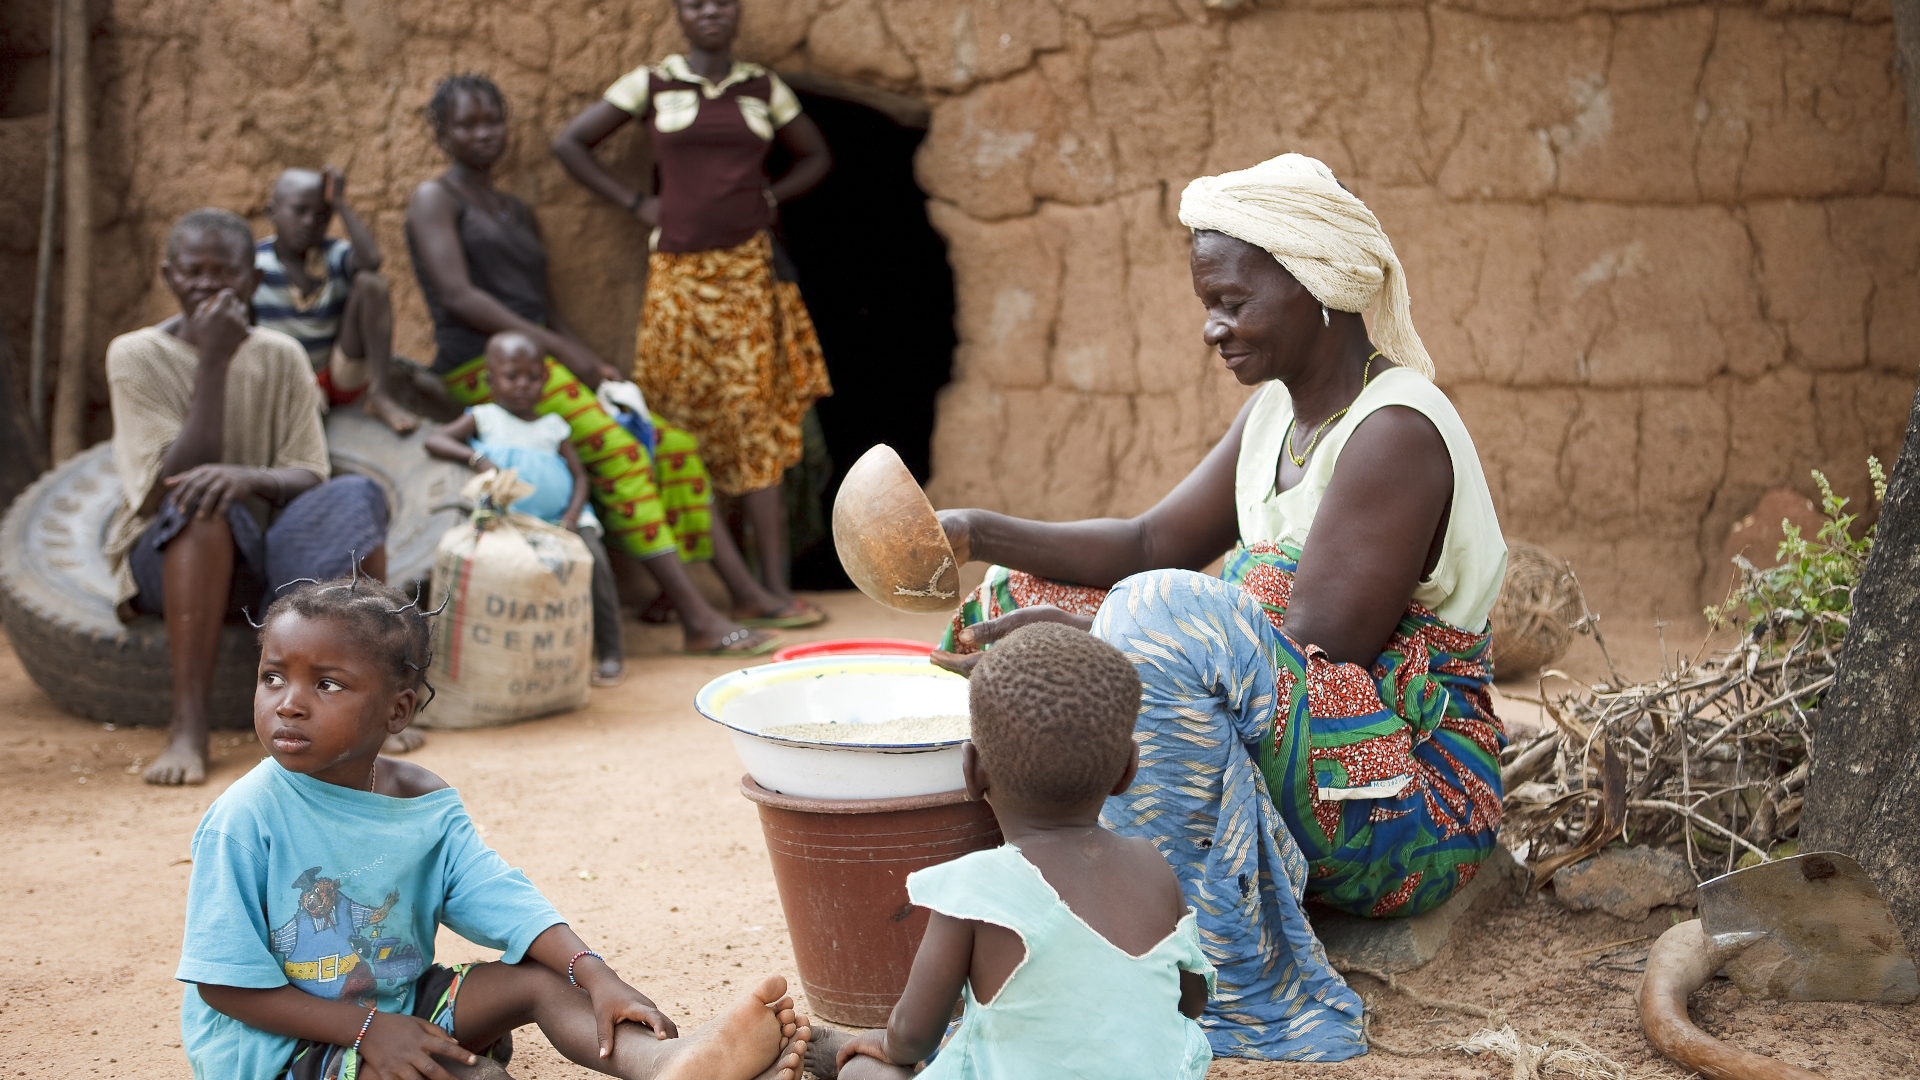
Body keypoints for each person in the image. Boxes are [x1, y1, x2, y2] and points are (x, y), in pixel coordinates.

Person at [924, 154, 1510, 1061]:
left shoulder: (1397, 431)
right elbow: (1152, 542)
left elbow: (1313, 641)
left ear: (1319, 287)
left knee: (1155, 615)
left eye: (1234, 302)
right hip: (1307, 756)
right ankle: (1049, 906)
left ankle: (1248, 987)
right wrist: (970, 532)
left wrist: (1091, 639)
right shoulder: (1275, 415)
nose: (1213, 327)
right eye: (1210, 302)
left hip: (1406, 799)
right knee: (1016, 602)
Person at [176, 576, 812, 1080]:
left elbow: (496, 895)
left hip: (391, 1002)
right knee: (466, 1077)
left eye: (328, 683)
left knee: (541, 981)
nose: (289, 701)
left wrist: (595, 973)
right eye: (273, 677)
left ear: (396, 711)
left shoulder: (421, 801)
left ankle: (666, 1066)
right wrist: (370, 1033)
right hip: (278, 1050)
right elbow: (225, 985)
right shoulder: (244, 819)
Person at [406, 71, 818, 658]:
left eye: (491, 120)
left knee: (671, 445)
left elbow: (544, 308)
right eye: (466, 124)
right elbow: (458, 295)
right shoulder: (435, 199)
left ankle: (741, 592)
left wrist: (590, 362)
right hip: (486, 369)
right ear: (441, 134)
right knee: (621, 451)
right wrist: (556, 350)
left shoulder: (514, 210)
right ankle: (699, 620)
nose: (482, 134)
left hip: (544, 361)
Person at [812, 624, 1214, 1080]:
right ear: (1128, 770)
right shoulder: (1151, 865)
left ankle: (850, 1062)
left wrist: (881, 1044)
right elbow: (1191, 1001)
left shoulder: (974, 886)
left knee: (871, 1071)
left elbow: (914, 1037)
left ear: (972, 770)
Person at [553, 0, 834, 609]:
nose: (710, 12)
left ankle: (774, 589)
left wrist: (771, 197)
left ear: (737, 15)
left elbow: (816, 155)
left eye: (722, 4)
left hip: (746, 277)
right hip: (676, 277)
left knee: (752, 420)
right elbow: (571, 143)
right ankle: (676, 591)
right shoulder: (652, 82)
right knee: (672, 417)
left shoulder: (763, 87)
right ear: (680, 15)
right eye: (695, 4)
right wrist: (637, 204)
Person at [105, 208, 391, 787]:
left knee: (356, 495)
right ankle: (189, 725)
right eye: (192, 272)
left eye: (225, 273)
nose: (208, 286)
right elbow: (173, 481)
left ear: (253, 281)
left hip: (265, 556)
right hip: (173, 555)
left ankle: (371, 707)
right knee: (203, 505)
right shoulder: (135, 354)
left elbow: (309, 472)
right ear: (168, 275)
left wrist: (246, 477)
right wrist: (213, 360)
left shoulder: (280, 354)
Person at [426, 331, 627, 686]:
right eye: (512, 376)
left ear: (545, 380)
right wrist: (476, 457)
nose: (523, 385)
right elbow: (436, 439)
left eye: (532, 377)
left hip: (565, 521)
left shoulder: (554, 427)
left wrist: (570, 517)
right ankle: (502, 663)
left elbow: (581, 478)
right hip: (506, 522)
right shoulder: (484, 418)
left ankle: (611, 652)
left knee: (595, 567)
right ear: (490, 381)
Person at [255, 166, 422, 433]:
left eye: (322, 215)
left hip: (339, 372)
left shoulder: (332, 254)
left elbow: (372, 261)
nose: (310, 222)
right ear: (272, 211)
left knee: (371, 284)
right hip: (287, 379)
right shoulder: (256, 264)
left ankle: (379, 394)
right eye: (300, 211)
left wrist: (341, 204)